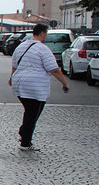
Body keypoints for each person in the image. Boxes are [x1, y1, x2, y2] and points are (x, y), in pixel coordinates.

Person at [9, 23, 69, 152]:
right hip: (35, 86)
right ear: (42, 33)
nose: (45, 36)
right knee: (33, 113)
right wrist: (65, 83)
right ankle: (25, 141)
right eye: (46, 34)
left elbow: (14, 66)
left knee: (29, 111)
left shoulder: (21, 46)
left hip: (19, 84)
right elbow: (54, 69)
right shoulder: (43, 49)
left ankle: (24, 133)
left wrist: (11, 78)